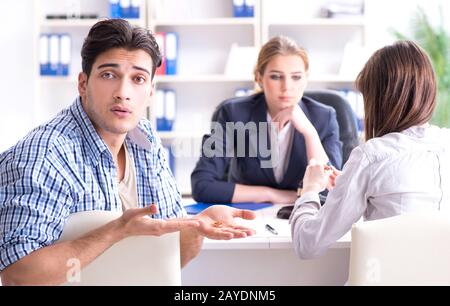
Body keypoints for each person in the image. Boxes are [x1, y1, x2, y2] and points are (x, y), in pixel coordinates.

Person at [0, 19, 256, 286]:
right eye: (109, 75)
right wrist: (115, 231)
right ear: (83, 84)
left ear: (150, 92)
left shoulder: (144, 140)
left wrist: (197, 227)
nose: (123, 93)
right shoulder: (44, 155)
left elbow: (169, 256)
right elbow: (20, 275)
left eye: (138, 79)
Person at [290, 40, 450, 259]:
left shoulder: (371, 156)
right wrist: (352, 183)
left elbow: (307, 244)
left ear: (380, 100)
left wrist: (309, 191)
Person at [191, 36, 342, 205]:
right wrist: (271, 195)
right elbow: (201, 186)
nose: (287, 87)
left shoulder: (324, 117)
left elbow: (332, 191)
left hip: (304, 217)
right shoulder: (233, 113)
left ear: (306, 78)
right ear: (259, 77)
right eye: (276, 77)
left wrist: (310, 133)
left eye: (296, 77)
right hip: (248, 216)